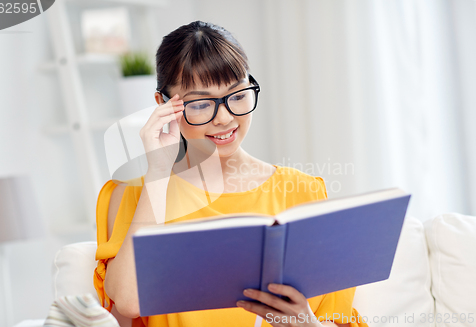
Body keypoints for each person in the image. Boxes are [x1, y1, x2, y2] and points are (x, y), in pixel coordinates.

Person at [94, 21, 368, 327]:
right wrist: (158, 170)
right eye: (200, 104)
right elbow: (129, 302)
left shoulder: (303, 191)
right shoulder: (134, 196)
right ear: (163, 105)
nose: (224, 119)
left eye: (237, 96)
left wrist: (305, 322)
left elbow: (336, 316)